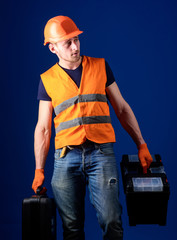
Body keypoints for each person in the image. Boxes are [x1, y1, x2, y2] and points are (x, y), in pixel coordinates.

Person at [32, 15, 153, 240]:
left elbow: (122, 109)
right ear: (52, 48)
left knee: (112, 221)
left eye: (76, 39)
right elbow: (43, 128)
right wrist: (39, 169)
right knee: (72, 229)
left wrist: (141, 144)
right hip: (66, 158)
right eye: (67, 42)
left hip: (101, 154)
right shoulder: (47, 79)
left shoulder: (100, 66)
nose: (75, 46)